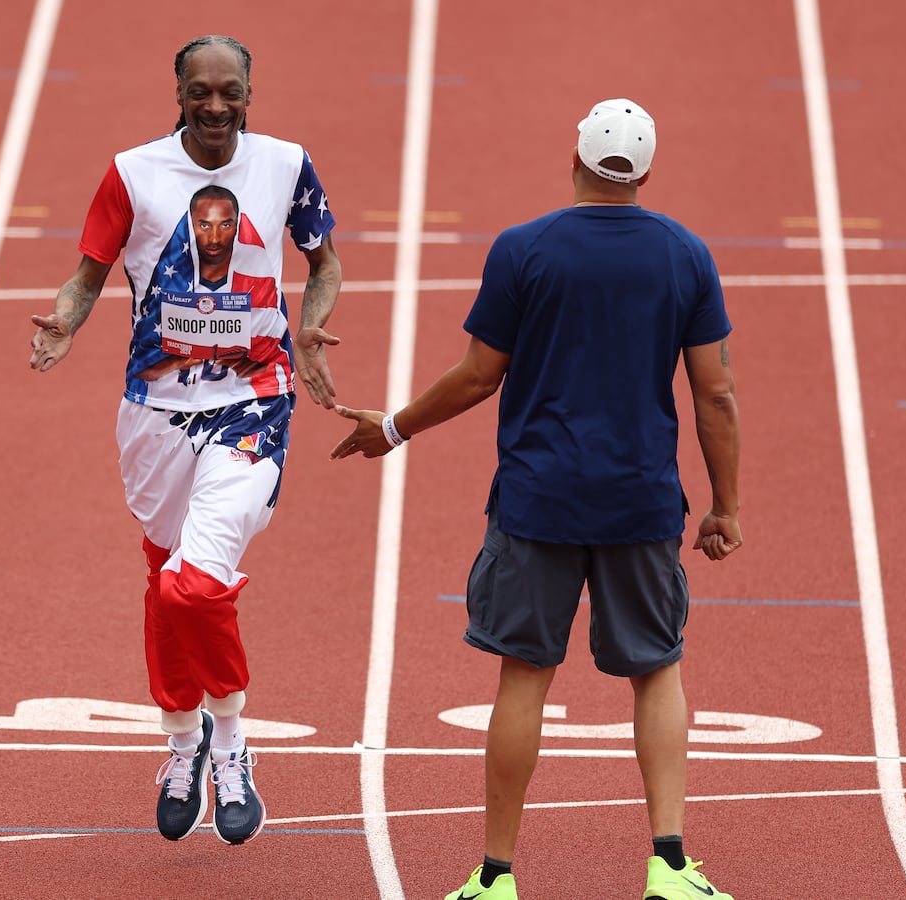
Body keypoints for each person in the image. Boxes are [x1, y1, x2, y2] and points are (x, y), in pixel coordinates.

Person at [330, 99, 741, 899]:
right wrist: (726, 505)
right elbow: (714, 393)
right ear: (646, 173)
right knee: (657, 674)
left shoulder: (525, 249)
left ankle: (496, 877)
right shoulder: (687, 255)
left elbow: (481, 375)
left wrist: (395, 427)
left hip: (537, 500)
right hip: (641, 503)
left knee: (524, 677)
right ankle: (668, 867)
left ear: (576, 161)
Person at [29, 35, 343, 846]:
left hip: (255, 401)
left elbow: (326, 261)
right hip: (154, 411)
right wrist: (65, 320)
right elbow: (88, 274)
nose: (214, 106)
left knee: (193, 586)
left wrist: (310, 328)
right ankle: (180, 742)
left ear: (249, 92)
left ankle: (231, 739)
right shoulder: (134, 173)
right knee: (161, 576)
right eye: (200, 91)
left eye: (229, 91)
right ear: (177, 90)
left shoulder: (285, 165)